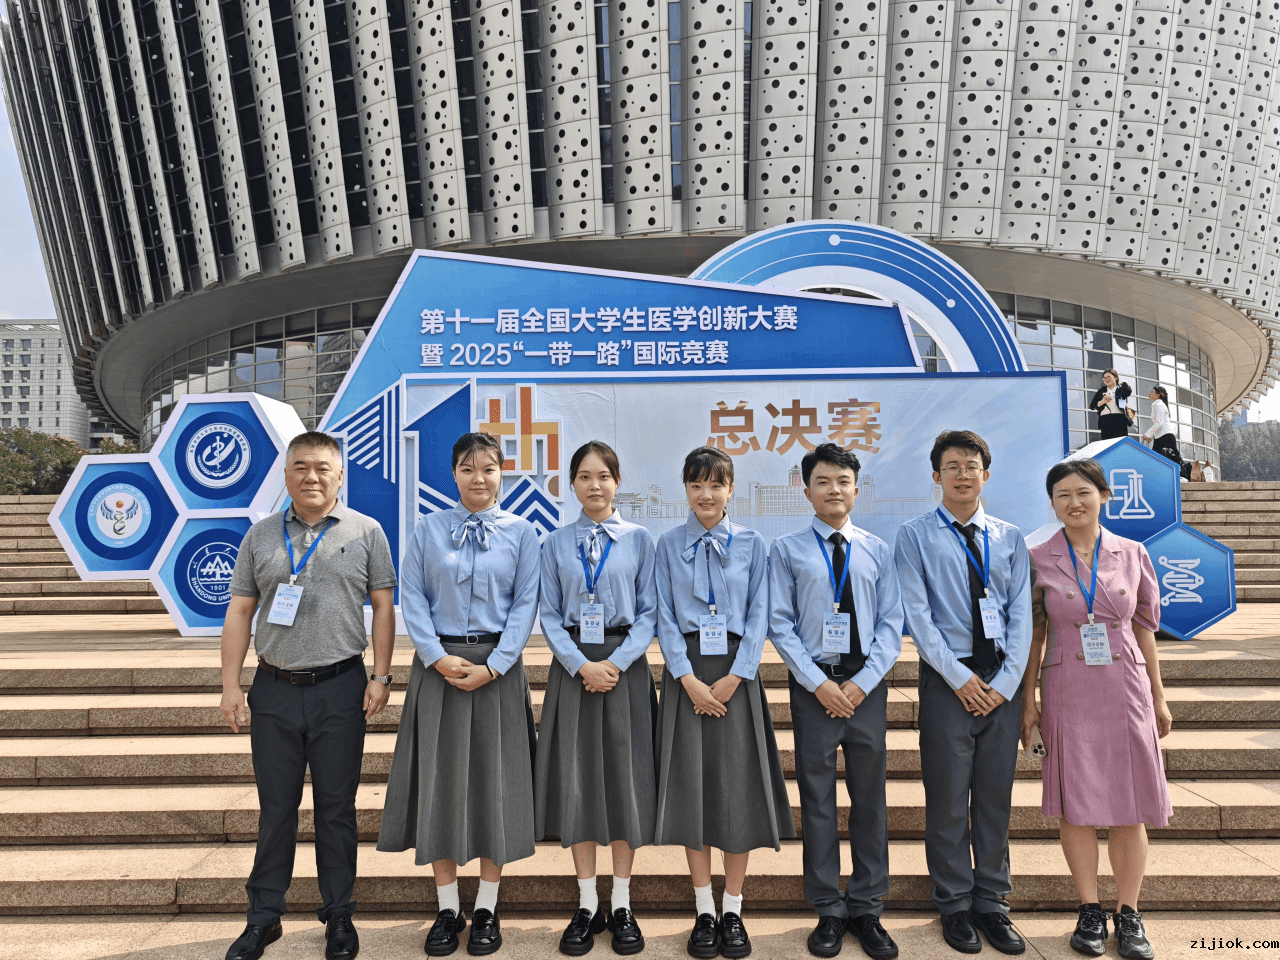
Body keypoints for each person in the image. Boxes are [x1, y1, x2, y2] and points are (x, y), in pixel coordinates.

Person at [219, 430, 398, 960]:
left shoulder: (366, 531)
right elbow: (240, 610)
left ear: (340, 475)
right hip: (274, 689)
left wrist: (381, 676)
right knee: (276, 808)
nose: (312, 476)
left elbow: (383, 607)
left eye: (323, 467)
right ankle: (263, 918)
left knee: (336, 809)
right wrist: (230, 685)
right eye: (301, 466)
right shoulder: (260, 535)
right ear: (286, 474)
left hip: (341, 688)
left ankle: (338, 915)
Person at [377, 432, 541, 957]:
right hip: (439, 672)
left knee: (497, 785)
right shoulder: (428, 529)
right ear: (453, 474)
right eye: (468, 469)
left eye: (488, 468)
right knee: (439, 784)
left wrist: (495, 665)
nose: (479, 478)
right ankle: (448, 908)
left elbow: (525, 604)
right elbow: (412, 596)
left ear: (502, 474)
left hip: (499, 672)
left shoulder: (523, 533)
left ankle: (488, 907)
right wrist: (434, 655)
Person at [1020, 459, 1173, 960]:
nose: (1074, 502)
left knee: (1131, 802)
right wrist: (1028, 705)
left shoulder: (1133, 553)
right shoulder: (1038, 558)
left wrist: (1158, 693)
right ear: (1052, 503)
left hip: (1125, 686)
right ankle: (1089, 909)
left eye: (1083, 492)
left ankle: (1129, 913)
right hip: (1067, 686)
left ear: (1104, 495)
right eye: (1062, 495)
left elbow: (1145, 627)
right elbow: (1034, 634)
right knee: (1076, 802)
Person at [653, 446, 795, 960]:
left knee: (737, 792)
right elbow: (664, 615)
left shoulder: (755, 545)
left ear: (731, 489)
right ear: (686, 490)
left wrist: (739, 673)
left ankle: (732, 909)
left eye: (716, 485)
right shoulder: (667, 544)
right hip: (687, 675)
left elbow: (761, 613)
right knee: (693, 792)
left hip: (738, 675)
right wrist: (686, 678)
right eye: (696, 485)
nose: (706, 495)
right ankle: (703, 912)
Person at [894, 431, 1031, 956]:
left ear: (986, 475)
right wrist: (959, 678)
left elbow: (1021, 615)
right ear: (936, 477)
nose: (962, 474)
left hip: (1000, 684)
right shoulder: (914, 536)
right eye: (951, 466)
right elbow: (918, 616)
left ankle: (992, 902)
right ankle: (953, 903)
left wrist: (1006, 681)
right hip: (947, 682)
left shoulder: (1009, 538)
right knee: (948, 800)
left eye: (971, 465)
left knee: (995, 799)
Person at [768, 442, 903, 960]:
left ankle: (867, 907)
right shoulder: (787, 550)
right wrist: (817, 684)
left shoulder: (877, 549)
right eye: (822, 481)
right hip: (815, 689)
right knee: (818, 801)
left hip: (865, 688)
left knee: (870, 800)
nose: (833, 490)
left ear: (856, 488)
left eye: (843, 481)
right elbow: (780, 623)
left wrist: (863, 682)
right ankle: (827, 907)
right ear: (806, 491)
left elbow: (891, 623)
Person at [535, 440, 658, 957]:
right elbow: (547, 612)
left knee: (625, 782)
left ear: (617, 481)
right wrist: (580, 664)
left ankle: (622, 902)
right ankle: (587, 903)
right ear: (572, 484)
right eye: (584, 476)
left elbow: (650, 611)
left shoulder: (640, 540)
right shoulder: (554, 543)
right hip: (574, 670)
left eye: (604, 476)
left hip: (624, 669)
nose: (595, 485)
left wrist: (617, 663)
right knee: (579, 782)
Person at [1090, 369, 1134, 441]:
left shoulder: (1121, 390)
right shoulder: (1101, 391)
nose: (1106, 379)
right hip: (1105, 420)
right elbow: (1092, 406)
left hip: (1119, 419)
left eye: (1109, 377)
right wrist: (1102, 402)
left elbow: (1128, 391)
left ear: (1116, 377)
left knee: (1120, 443)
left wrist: (1124, 384)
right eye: (1104, 378)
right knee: (1107, 443)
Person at [1140, 386, 1179, 463]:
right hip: (1160, 438)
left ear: (1158, 395)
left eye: (1152, 392)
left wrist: (1147, 434)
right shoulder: (1156, 405)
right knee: (1157, 462)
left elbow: (1159, 422)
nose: (1149, 393)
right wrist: (1150, 436)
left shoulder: (1159, 405)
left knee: (1171, 462)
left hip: (1166, 437)